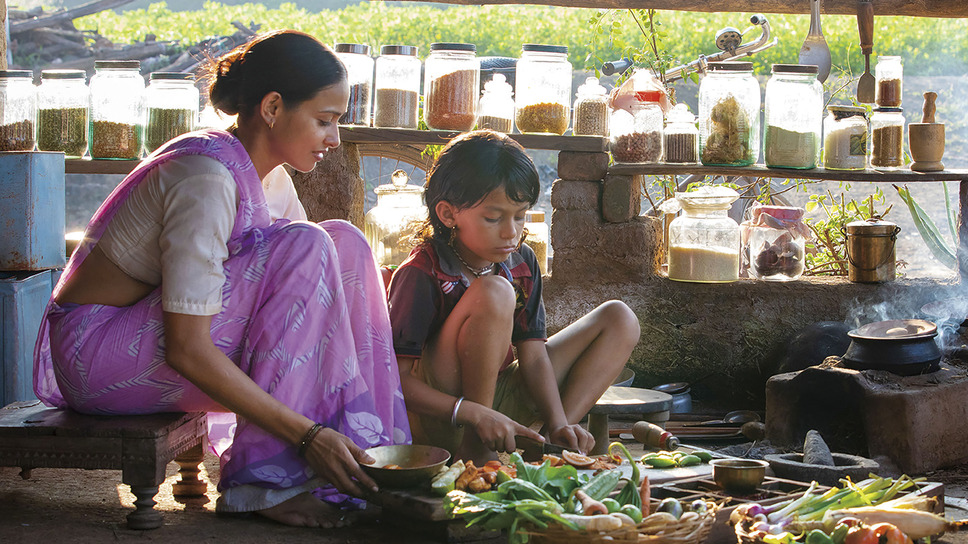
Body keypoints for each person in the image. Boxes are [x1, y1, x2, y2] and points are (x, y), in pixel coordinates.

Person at [32, 30, 410, 528]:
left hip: (157, 340)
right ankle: (263, 484)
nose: (335, 140)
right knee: (310, 244)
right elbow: (186, 347)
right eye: (325, 120)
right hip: (98, 359)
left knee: (344, 243)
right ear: (273, 107)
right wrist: (306, 434)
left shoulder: (269, 174)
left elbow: (312, 296)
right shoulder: (204, 179)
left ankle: (370, 460)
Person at [387, 130, 640, 464]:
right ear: (448, 214)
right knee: (494, 291)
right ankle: (478, 447)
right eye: (493, 218)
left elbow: (533, 356)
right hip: (448, 415)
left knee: (619, 318)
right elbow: (397, 382)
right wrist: (475, 414)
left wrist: (559, 419)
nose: (511, 231)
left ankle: (550, 440)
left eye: (520, 215)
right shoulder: (421, 272)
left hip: (501, 396)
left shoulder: (520, 261)